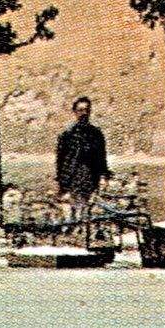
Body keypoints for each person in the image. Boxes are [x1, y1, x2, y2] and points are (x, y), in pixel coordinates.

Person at [54, 96, 110, 237]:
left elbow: (101, 156)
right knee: (72, 207)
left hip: (90, 175)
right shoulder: (67, 134)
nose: (83, 113)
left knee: (85, 207)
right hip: (72, 176)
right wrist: (61, 181)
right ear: (75, 112)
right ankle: (72, 233)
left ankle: (82, 234)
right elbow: (60, 159)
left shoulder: (96, 134)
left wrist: (104, 175)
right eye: (80, 110)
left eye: (86, 110)